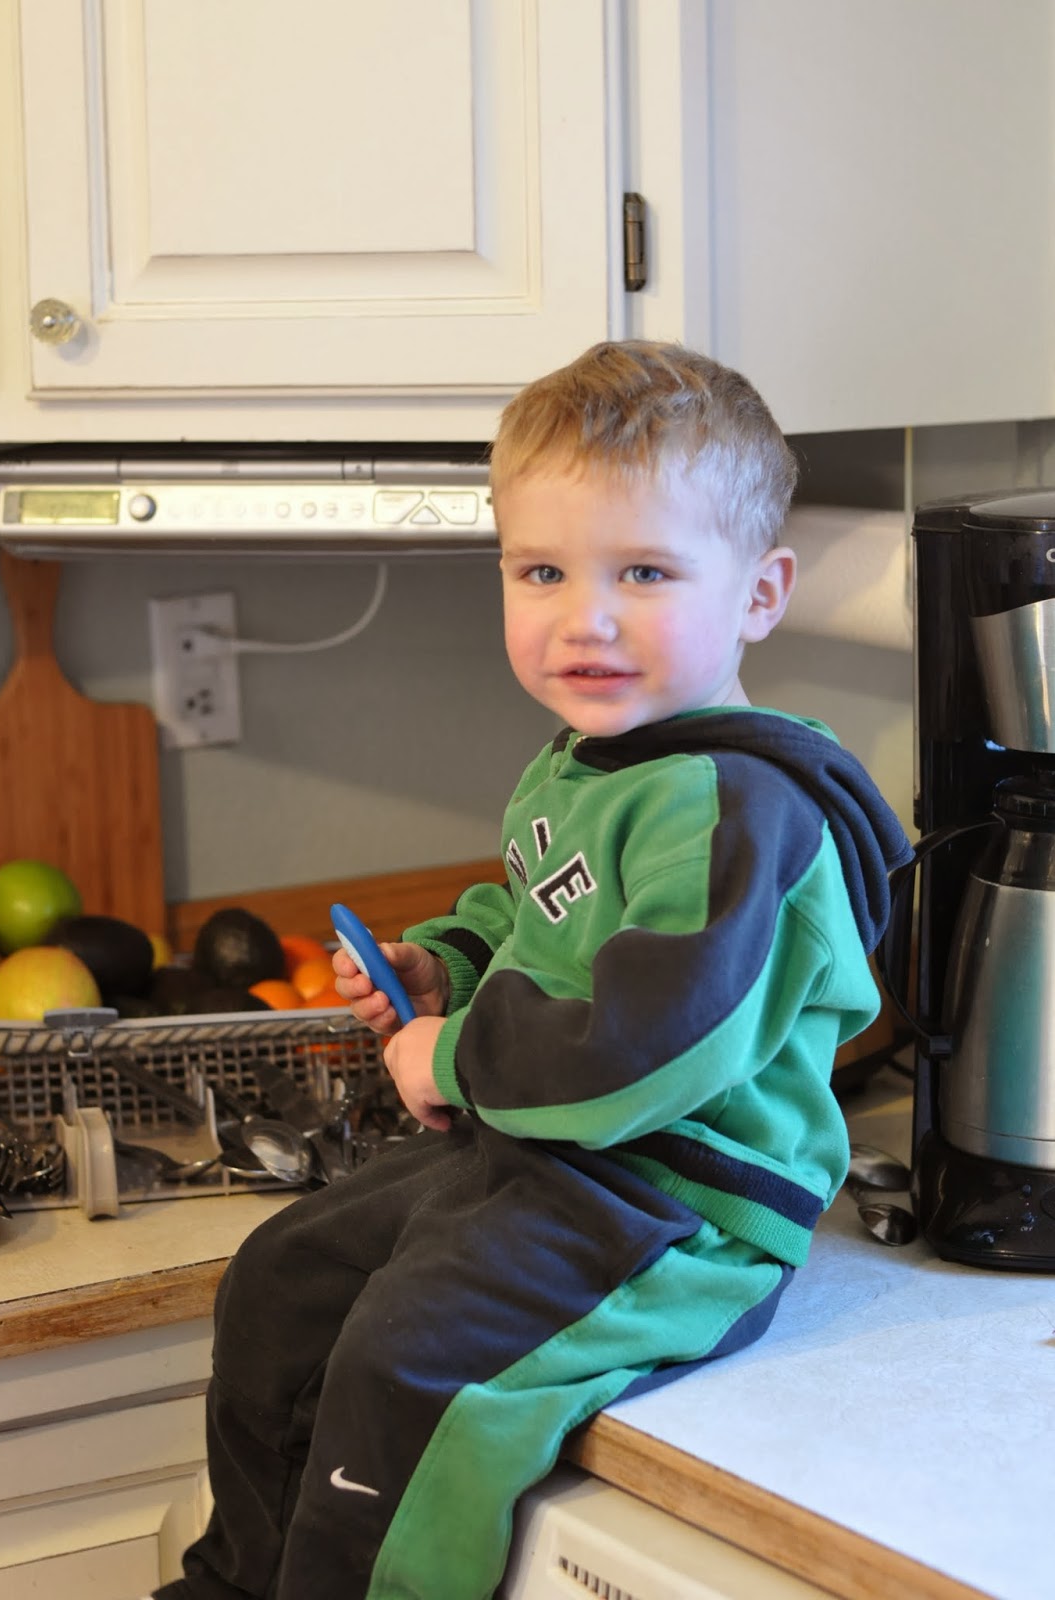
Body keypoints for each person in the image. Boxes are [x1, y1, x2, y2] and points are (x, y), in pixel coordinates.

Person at [152, 341, 912, 1600]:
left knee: (411, 1357)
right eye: (541, 570)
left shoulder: (739, 807)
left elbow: (647, 1043)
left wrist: (449, 1055)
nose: (583, 617)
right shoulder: (591, 756)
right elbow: (536, 912)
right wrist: (445, 970)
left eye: (644, 572)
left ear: (761, 593)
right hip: (547, 1151)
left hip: (678, 1201)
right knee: (282, 1280)